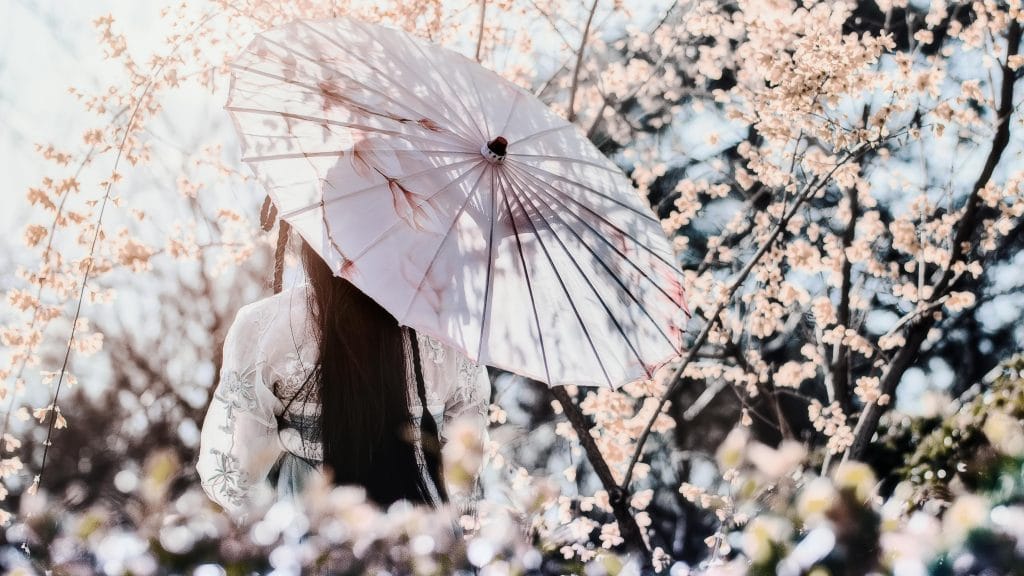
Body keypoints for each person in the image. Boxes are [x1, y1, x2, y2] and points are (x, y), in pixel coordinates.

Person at [196, 238, 491, 520]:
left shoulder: (265, 326)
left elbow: (237, 475)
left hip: (310, 534)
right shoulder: (451, 329)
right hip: (422, 534)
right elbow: (464, 468)